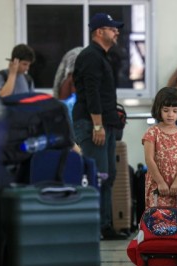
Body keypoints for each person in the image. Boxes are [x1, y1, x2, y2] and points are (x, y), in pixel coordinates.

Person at [72, 12, 127, 240]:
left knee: (108, 175)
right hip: (93, 124)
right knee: (99, 176)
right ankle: (94, 227)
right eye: (111, 28)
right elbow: (91, 92)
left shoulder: (103, 56)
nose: (116, 32)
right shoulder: (90, 56)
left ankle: (104, 226)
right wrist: (97, 125)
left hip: (105, 124)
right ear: (98, 32)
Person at [142, 87, 177, 216]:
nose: (170, 114)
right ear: (159, 110)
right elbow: (149, 159)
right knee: (157, 218)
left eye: (175, 111)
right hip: (157, 184)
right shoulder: (152, 132)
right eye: (166, 110)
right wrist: (160, 182)